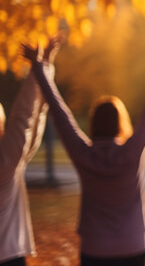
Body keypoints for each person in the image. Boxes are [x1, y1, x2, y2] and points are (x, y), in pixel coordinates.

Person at [22, 34, 145, 266]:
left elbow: (59, 113)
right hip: (133, 245)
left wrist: (40, 67)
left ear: (94, 123)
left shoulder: (83, 153)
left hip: (95, 248)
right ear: (120, 122)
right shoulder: (132, 151)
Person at [0, 38, 60, 266]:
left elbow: (31, 132)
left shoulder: (10, 161)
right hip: (7, 256)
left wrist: (45, 69)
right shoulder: (5, 161)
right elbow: (24, 119)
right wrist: (40, 67)